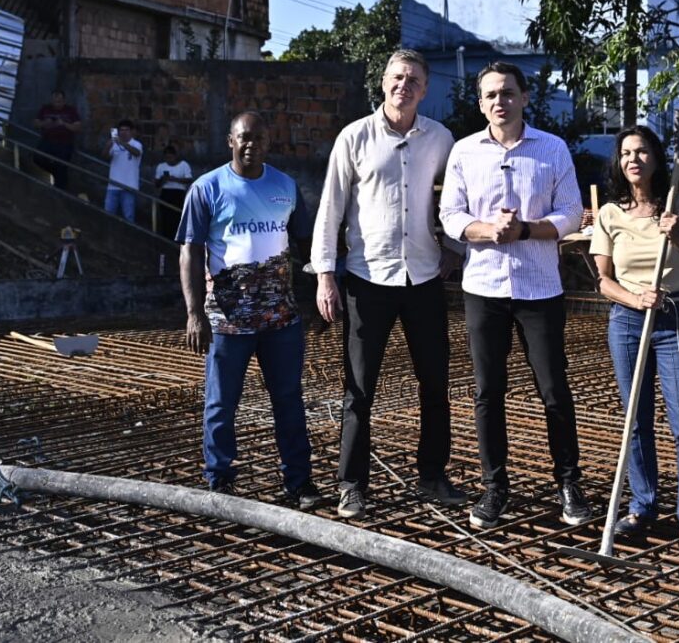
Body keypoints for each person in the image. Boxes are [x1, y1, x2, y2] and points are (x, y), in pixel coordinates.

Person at [311, 49, 464, 520]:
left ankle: (433, 474)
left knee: (434, 381)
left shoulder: (441, 139)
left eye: (414, 80)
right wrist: (324, 274)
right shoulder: (355, 137)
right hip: (366, 278)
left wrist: (455, 250)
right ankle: (352, 484)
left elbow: (457, 200)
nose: (405, 86)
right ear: (383, 83)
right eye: (398, 77)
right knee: (359, 388)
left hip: (422, 277)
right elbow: (330, 208)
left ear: (425, 88)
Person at [439, 61, 589, 530]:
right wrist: (487, 230)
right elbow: (450, 214)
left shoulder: (552, 148)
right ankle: (495, 486)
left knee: (553, 391)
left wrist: (525, 229)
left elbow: (573, 213)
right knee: (488, 392)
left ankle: (569, 484)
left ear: (525, 97)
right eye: (489, 95)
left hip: (539, 288)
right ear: (481, 103)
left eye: (507, 93)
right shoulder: (464, 151)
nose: (498, 102)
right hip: (484, 288)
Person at [176, 111, 321, 508]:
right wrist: (194, 313)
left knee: (288, 399)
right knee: (221, 402)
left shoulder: (286, 187)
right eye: (243, 137)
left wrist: (320, 292)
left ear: (268, 142)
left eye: (258, 138)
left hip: (280, 320)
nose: (250, 144)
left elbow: (305, 246)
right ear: (230, 141)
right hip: (227, 320)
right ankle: (218, 478)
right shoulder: (207, 189)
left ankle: (299, 481)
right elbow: (189, 250)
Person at [590, 125, 679, 556]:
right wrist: (635, 297)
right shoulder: (611, 214)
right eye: (626, 153)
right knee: (635, 420)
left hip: (676, 316)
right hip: (627, 319)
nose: (633, 160)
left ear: (656, 158)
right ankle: (643, 504)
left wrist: (678, 237)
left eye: (642, 152)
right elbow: (603, 281)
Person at [33, 90, 83, 190]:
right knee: (38, 158)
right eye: (55, 101)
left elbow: (77, 127)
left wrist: (64, 124)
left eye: (59, 101)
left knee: (62, 167)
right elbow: (36, 123)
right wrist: (45, 123)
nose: (57, 104)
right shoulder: (46, 109)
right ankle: (52, 173)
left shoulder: (70, 111)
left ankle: (61, 191)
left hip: (64, 143)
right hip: (48, 141)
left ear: (64, 101)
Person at [104, 119, 143, 222]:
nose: (124, 132)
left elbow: (137, 153)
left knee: (128, 216)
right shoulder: (114, 144)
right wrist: (107, 147)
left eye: (126, 130)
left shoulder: (136, 144)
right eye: (121, 130)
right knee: (108, 214)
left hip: (129, 186)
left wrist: (122, 143)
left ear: (131, 132)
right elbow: (105, 157)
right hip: (113, 186)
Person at [155, 145, 194, 238]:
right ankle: (166, 236)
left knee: (177, 216)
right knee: (165, 217)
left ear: (175, 156)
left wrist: (175, 179)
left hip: (178, 193)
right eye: (167, 157)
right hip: (166, 192)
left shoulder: (184, 165)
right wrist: (163, 179)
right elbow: (156, 183)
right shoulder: (161, 166)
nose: (169, 160)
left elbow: (189, 179)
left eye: (171, 157)